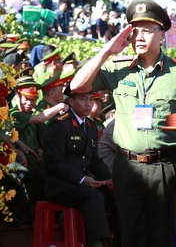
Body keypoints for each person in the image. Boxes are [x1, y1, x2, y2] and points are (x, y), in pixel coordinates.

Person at [70, 0, 176, 247]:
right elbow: (76, 86)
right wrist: (107, 50)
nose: (138, 37)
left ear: (161, 34)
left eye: (146, 30)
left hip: (165, 166)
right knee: (129, 236)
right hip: (127, 166)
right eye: (134, 31)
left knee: (162, 237)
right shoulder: (117, 68)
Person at [43, 86, 113, 247]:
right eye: (83, 99)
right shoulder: (59, 125)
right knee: (93, 197)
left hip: (83, 183)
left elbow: (95, 161)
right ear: (71, 101)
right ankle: (96, 243)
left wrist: (109, 179)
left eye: (91, 99)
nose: (88, 104)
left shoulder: (90, 126)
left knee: (117, 195)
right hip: (61, 185)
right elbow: (54, 162)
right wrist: (81, 179)